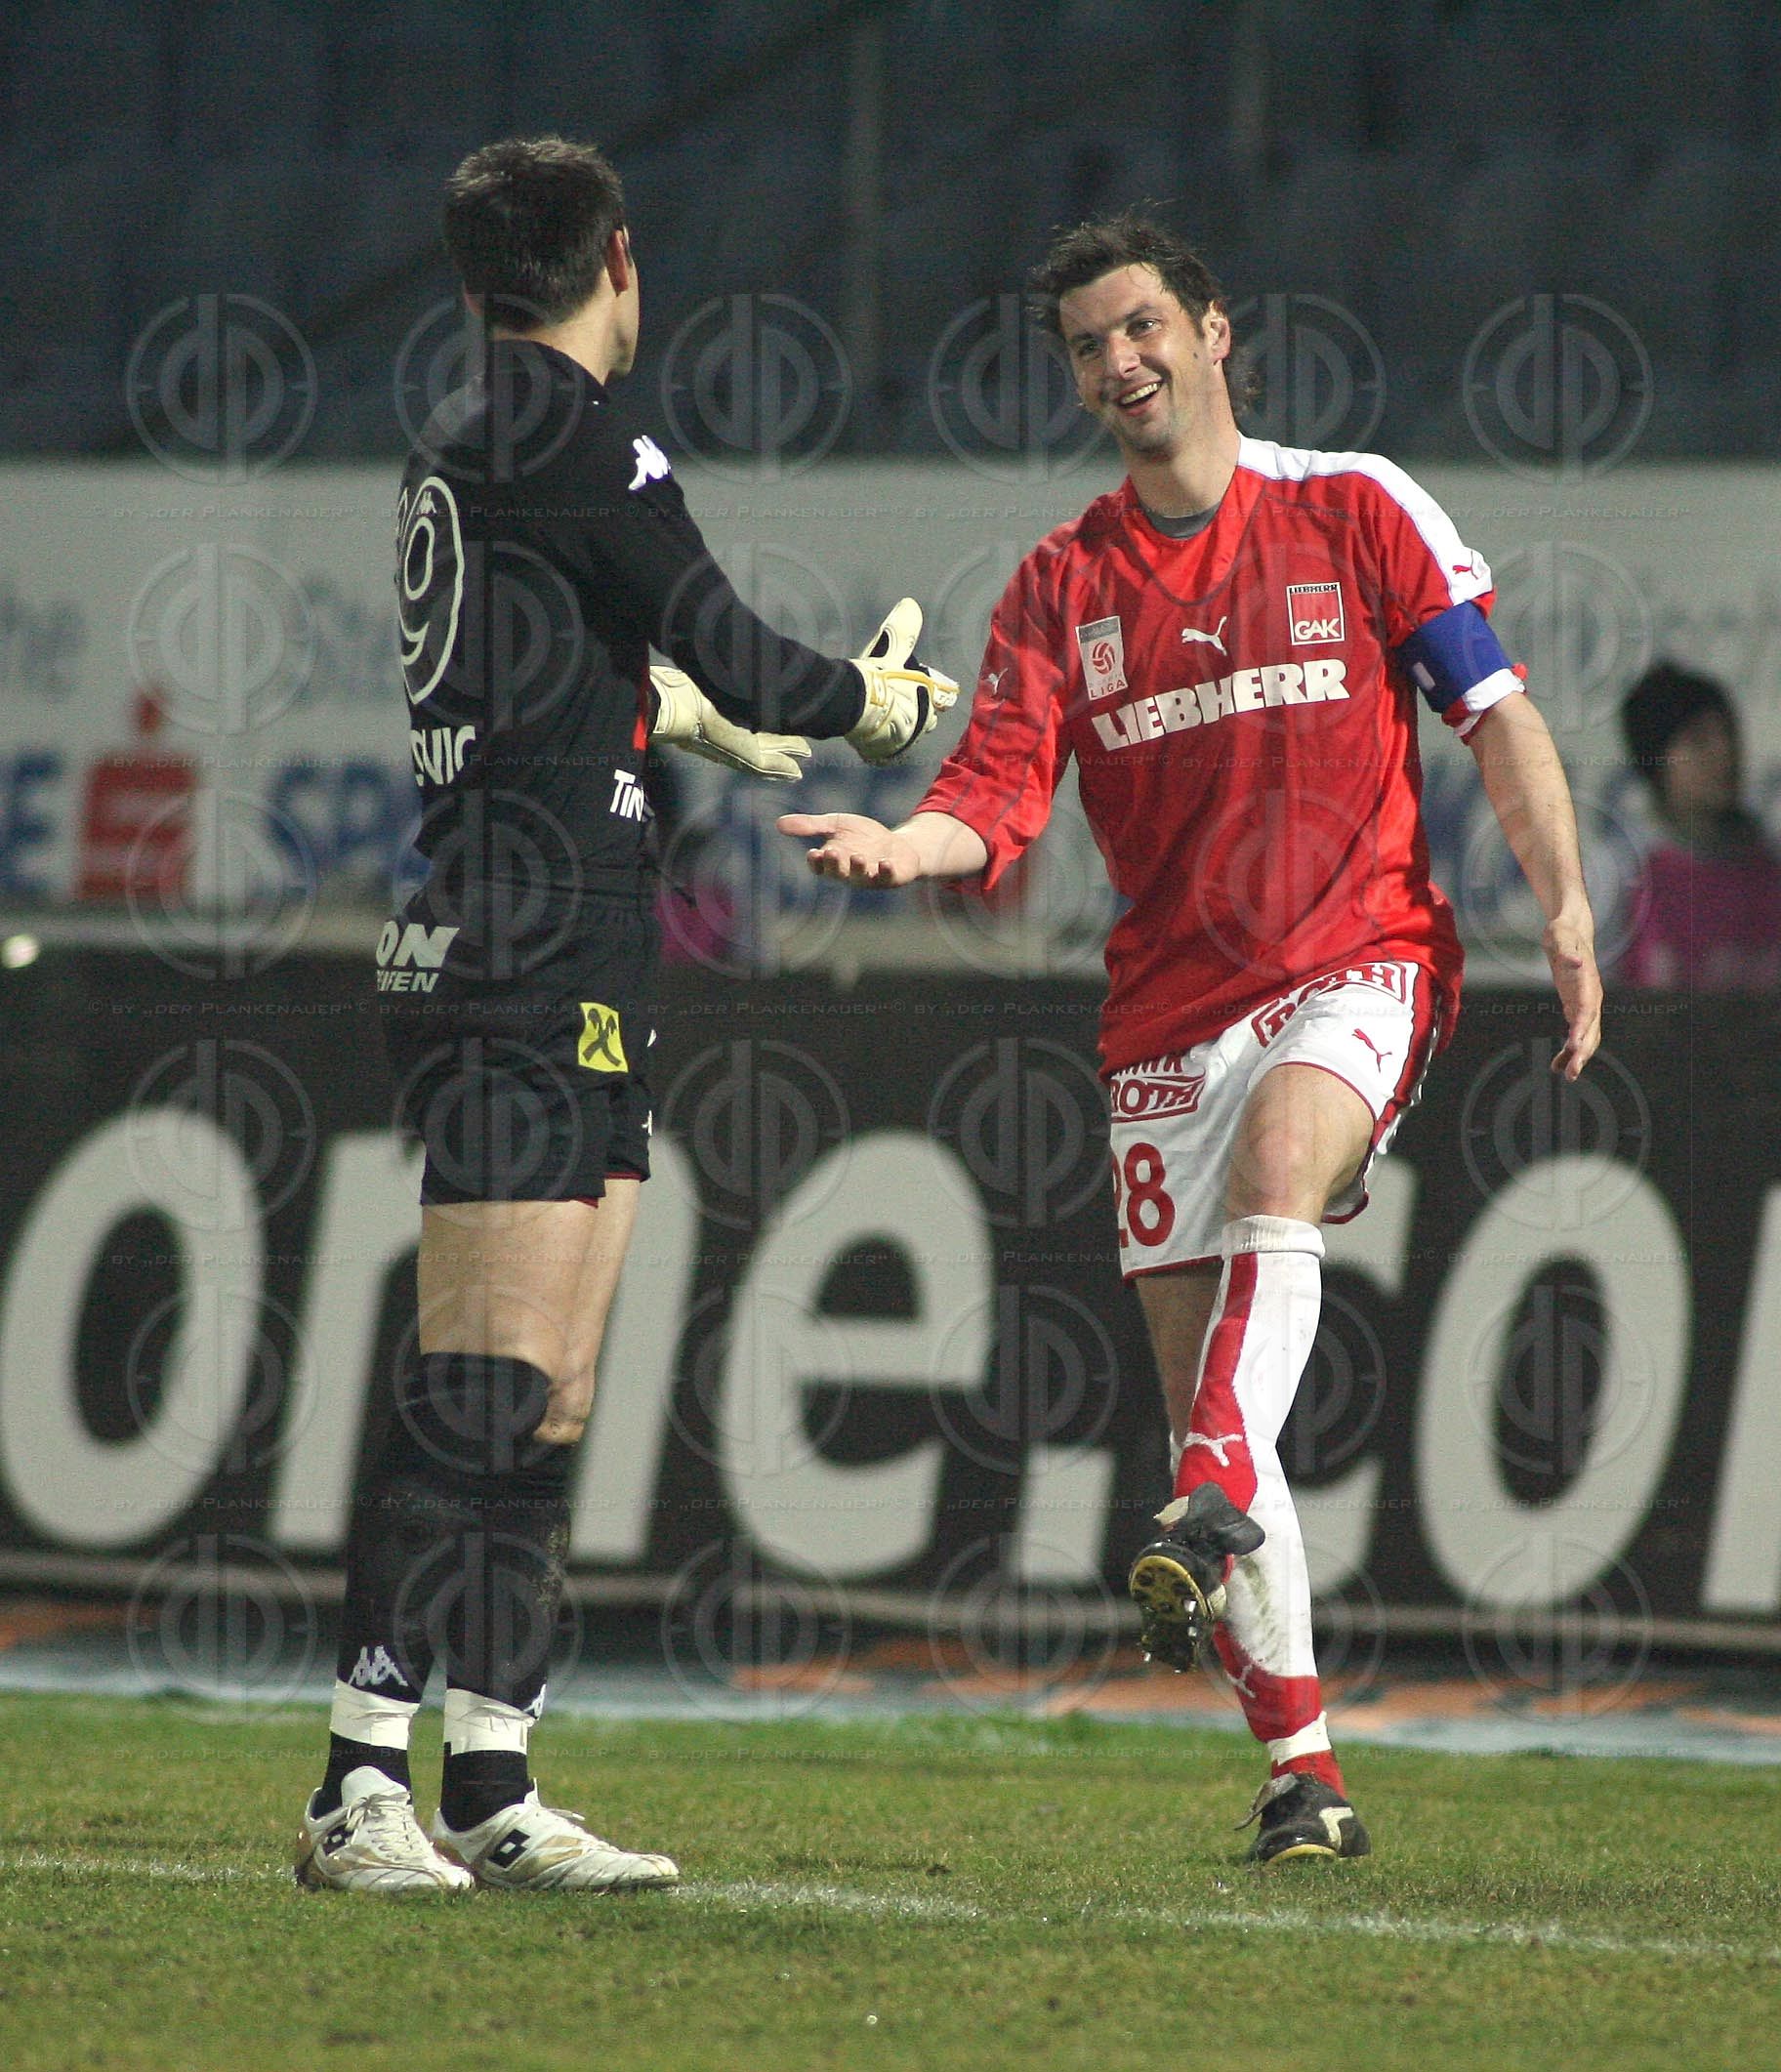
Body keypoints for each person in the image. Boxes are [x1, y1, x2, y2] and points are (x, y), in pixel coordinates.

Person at [781, 213, 1601, 1865]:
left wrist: (1563, 909)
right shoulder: (1059, 583)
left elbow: (1493, 711)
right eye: (1087, 345)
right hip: (1164, 1012)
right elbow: (984, 801)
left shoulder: (1350, 506)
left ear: (1214, 332)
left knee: (1277, 1182)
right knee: (1194, 1402)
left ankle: (1215, 1489)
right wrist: (899, 848)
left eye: (1142, 326)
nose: (1118, 364)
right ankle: (1302, 1773)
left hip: (1359, 956)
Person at [295, 136, 957, 1894]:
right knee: (481, 1377)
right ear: (619, 261)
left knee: (553, 1390)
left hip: (575, 937)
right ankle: (359, 1778)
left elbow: (576, 660)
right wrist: (863, 705)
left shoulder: (482, 437)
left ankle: (494, 1775)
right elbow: (732, 640)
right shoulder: (573, 431)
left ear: (468, 283)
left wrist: (666, 717)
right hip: (515, 942)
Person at [1616, 661, 1781, 992]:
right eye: (1698, 740)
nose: (1724, 752)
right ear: (1658, 762)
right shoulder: (1625, 880)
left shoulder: (1771, 872)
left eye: (1728, 734)